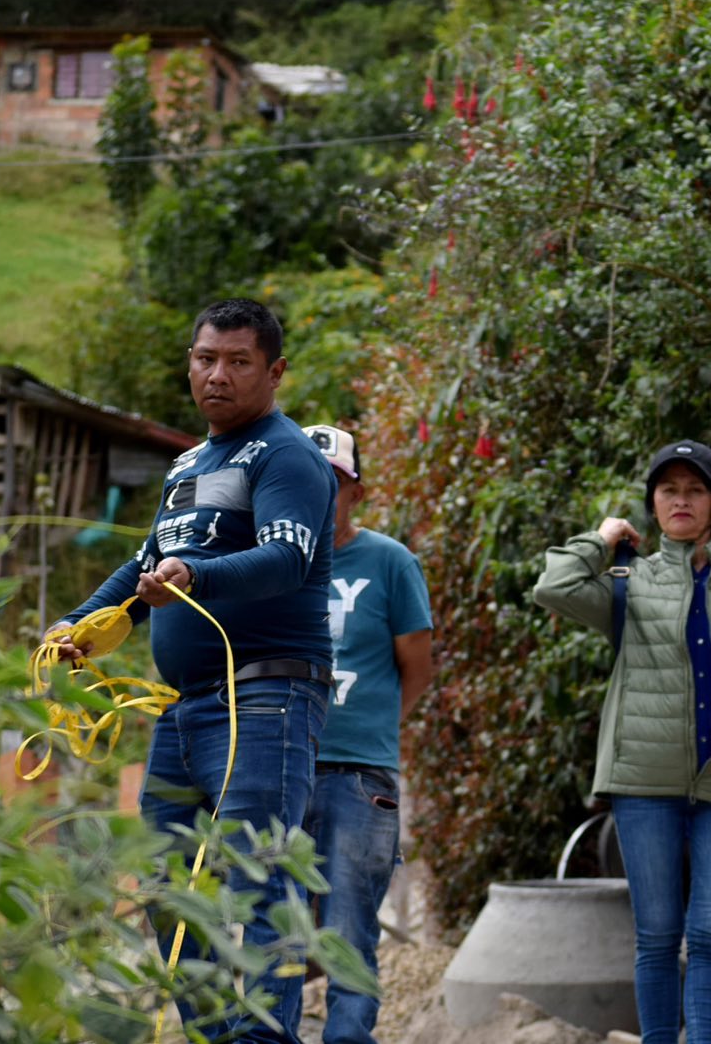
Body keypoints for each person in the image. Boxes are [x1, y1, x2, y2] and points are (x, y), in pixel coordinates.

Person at [50, 298, 337, 1044]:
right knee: (166, 882)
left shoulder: (286, 456)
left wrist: (197, 574)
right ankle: (216, 1032)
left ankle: (265, 1037)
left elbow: (287, 557)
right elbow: (144, 566)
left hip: (266, 696)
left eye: (239, 362)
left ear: (274, 372)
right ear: (189, 363)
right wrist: (76, 625)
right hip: (183, 708)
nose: (218, 375)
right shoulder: (188, 463)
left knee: (258, 876)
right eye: (207, 359)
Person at [532, 441, 711, 1044]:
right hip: (642, 782)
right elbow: (553, 586)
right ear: (653, 504)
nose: (681, 500)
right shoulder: (627, 582)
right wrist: (602, 538)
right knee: (656, 936)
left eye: (695, 489)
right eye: (668, 490)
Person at [297, 425, 435, 1044]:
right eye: (306, 480)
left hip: (359, 774)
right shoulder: (270, 565)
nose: (319, 495)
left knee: (349, 932)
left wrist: (370, 729)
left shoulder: (390, 562)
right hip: (280, 768)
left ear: (356, 492)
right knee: (275, 931)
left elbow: (418, 667)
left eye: (334, 483)